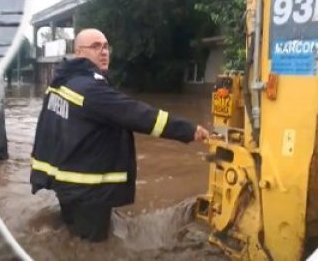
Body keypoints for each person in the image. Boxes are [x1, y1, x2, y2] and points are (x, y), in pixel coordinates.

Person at [29, 28, 210, 243]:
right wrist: (189, 130)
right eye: (95, 46)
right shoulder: (89, 89)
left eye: (106, 46)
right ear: (79, 53)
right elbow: (138, 115)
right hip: (89, 191)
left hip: (67, 185)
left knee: (74, 240)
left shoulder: (61, 84)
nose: (104, 51)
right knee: (93, 247)